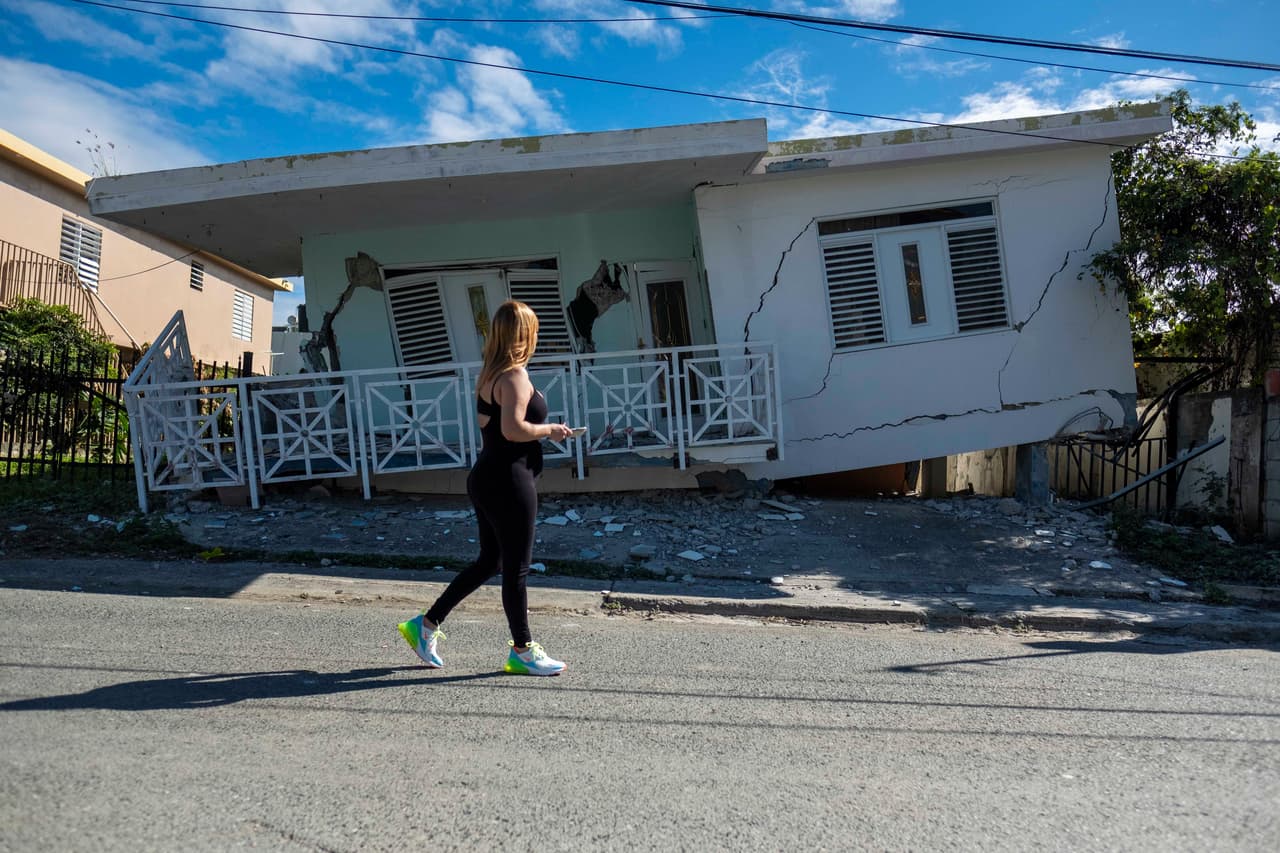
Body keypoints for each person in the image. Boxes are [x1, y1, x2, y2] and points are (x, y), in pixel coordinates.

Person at [397, 300, 575, 676]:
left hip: (488, 476)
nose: (538, 336)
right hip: (509, 481)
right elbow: (512, 430)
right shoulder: (513, 377)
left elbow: (496, 429)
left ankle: (425, 625)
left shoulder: (490, 374)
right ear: (524, 334)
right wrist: (551, 429)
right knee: (516, 569)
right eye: (535, 330)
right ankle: (523, 651)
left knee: (491, 562)